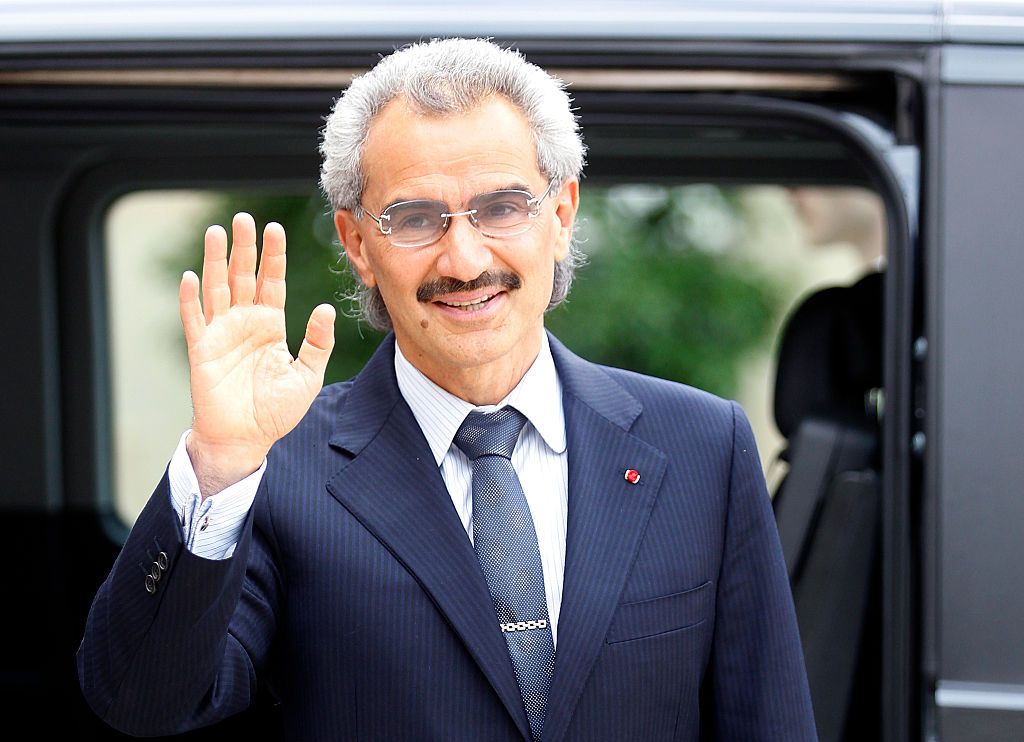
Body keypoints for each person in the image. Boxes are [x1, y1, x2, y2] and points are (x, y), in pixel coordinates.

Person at [78, 38, 816, 741]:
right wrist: (220, 463)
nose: (464, 260)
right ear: (359, 245)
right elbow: (142, 701)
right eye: (416, 218)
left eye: (502, 208)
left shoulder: (700, 447)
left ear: (560, 216)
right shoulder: (278, 470)